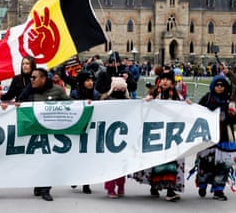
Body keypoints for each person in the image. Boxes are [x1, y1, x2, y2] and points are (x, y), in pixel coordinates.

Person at [16, 67, 70, 201]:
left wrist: (85, 103)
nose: (31, 80)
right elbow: (19, 104)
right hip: (34, 131)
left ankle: (46, 189)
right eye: (31, 78)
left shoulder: (57, 90)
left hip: (51, 132)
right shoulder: (29, 91)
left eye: (34, 78)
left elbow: (71, 104)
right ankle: (38, 184)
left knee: (49, 160)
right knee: (36, 160)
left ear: (43, 79)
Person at [132, 70, 187, 202]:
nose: (165, 81)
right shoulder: (153, 94)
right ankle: (154, 185)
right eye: (163, 78)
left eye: (168, 79)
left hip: (171, 134)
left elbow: (183, 112)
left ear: (172, 82)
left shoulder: (177, 97)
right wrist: (147, 101)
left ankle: (170, 190)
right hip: (155, 133)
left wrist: (187, 105)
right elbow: (143, 111)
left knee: (171, 161)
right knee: (155, 160)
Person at [193, 75, 235, 201]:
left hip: (224, 136)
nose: (219, 87)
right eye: (217, 85)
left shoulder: (230, 101)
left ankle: (218, 190)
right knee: (205, 163)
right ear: (213, 86)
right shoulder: (207, 98)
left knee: (223, 165)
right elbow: (197, 112)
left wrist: (232, 115)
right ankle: (203, 184)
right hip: (208, 136)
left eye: (222, 85)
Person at [70, 70, 100, 194]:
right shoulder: (75, 94)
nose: (90, 83)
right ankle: (75, 177)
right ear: (82, 82)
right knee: (76, 155)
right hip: (78, 128)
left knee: (88, 156)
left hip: (92, 128)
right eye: (87, 80)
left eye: (91, 80)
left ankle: (86, 183)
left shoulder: (96, 94)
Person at [100, 77, 129, 198]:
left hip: (123, 137)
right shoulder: (105, 100)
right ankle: (110, 188)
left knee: (122, 165)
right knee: (110, 165)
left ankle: (121, 185)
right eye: (117, 87)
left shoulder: (129, 102)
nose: (119, 89)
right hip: (109, 136)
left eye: (122, 87)